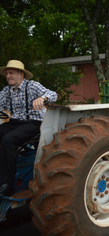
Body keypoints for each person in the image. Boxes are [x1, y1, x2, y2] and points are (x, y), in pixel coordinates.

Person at [0, 60, 57, 196]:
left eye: (11, 73)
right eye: (7, 73)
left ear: (21, 74)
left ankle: (6, 184)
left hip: (33, 123)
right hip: (15, 122)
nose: (8, 76)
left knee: (9, 140)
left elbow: (53, 95)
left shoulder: (32, 86)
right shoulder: (7, 90)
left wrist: (42, 98)